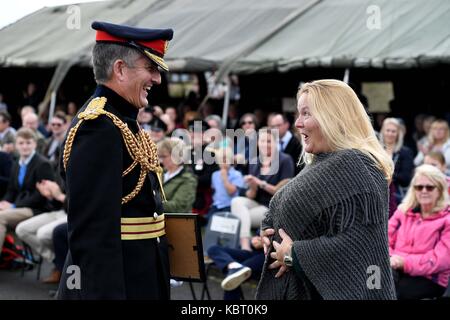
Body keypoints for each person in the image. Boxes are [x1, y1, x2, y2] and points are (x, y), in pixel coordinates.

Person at [57, 21, 174, 299]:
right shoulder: (98, 126)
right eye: (150, 68)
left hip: (140, 272)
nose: (157, 79)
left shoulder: (121, 118)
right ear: (120, 69)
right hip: (119, 282)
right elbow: (92, 235)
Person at [256, 79, 396, 300]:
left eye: (306, 114)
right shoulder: (321, 163)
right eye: (298, 115)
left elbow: (359, 246)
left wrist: (294, 254)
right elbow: (288, 207)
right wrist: (268, 232)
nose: (298, 124)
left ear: (332, 117)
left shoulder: (355, 165)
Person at [388, 164, 450, 299]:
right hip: (395, 267)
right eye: (419, 187)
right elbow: (383, 239)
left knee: (395, 293)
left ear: (439, 190)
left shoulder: (447, 219)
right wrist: (392, 259)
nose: (424, 191)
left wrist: (404, 263)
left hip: (430, 278)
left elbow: (440, 260)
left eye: (429, 187)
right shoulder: (403, 211)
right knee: (370, 281)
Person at [231, 128, 294, 251]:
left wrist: (260, 183)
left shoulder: (285, 160)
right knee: (236, 201)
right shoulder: (254, 162)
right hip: (257, 203)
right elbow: (251, 195)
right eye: (262, 141)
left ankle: (245, 245)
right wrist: (253, 185)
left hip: (272, 207)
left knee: (242, 217)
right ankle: (246, 245)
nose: (265, 144)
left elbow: (282, 192)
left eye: (269, 141)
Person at [0, 128, 55, 253]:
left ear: (35, 144)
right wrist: (4, 203)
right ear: (16, 145)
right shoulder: (17, 163)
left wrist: (14, 206)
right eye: (21, 143)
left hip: (37, 209)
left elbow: (40, 196)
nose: (25, 146)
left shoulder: (43, 164)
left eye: (28, 143)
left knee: (0, 217)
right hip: (20, 206)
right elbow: (11, 190)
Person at [15, 179, 67, 283]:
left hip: (74, 214)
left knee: (43, 234)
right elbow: (55, 205)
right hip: (61, 211)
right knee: (22, 229)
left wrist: (61, 196)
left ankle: (62, 268)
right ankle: (57, 262)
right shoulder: (60, 166)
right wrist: (50, 197)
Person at [207, 234, 265, 300]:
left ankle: (234, 269)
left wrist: (265, 243)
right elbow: (252, 236)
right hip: (252, 252)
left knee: (233, 276)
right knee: (213, 249)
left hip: (266, 256)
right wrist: (253, 240)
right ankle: (233, 265)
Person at [379, 117, 414, 215]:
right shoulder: (375, 150)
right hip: (377, 192)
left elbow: (405, 178)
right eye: (388, 130)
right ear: (382, 132)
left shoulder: (405, 152)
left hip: (396, 195)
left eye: (393, 131)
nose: (390, 134)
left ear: (398, 133)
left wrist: (384, 174)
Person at [157, 138, 197, 213]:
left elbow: (178, 207)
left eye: (164, 156)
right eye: (160, 156)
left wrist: (151, 203)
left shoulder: (188, 179)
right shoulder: (160, 173)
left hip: (177, 222)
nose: (160, 160)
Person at [208, 147, 245, 216]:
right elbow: (214, 191)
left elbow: (231, 191)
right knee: (209, 223)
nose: (223, 162)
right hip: (216, 205)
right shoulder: (215, 175)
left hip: (229, 206)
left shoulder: (237, 174)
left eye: (225, 159)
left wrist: (225, 178)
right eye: (221, 159)